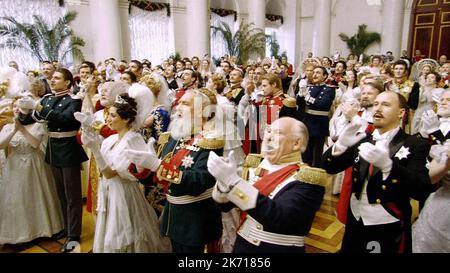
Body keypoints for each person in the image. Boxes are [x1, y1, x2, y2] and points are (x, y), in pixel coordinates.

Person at [322, 91, 432, 253]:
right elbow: (328, 167)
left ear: (401, 113)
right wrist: (340, 146)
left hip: (387, 223)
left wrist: (390, 167)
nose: (377, 108)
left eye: (386, 105)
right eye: (375, 104)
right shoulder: (362, 138)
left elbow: (421, 190)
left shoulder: (415, 144)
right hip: (355, 218)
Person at [124, 89, 224, 253]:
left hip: (196, 221)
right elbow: (156, 181)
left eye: (185, 104)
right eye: (179, 102)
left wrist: (157, 166)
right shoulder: (172, 138)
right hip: (173, 214)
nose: (177, 107)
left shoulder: (212, 141)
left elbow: (199, 182)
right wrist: (143, 168)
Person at [207, 117, 326, 253]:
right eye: (268, 131)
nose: (268, 137)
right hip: (242, 245)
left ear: (296, 144)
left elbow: (280, 219)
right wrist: (223, 183)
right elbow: (225, 206)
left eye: (278, 133)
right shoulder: (254, 167)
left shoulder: (307, 179)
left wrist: (233, 182)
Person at [81, 93, 171, 253]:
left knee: (124, 235)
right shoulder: (109, 140)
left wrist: (94, 148)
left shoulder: (134, 140)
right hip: (107, 190)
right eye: (108, 115)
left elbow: (110, 173)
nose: (108, 119)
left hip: (122, 193)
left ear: (126, 119)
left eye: (113, 116)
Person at [16, 68, 88, 252]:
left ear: (68, 83)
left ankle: (74, 235)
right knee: (61, 193)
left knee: (72, 195)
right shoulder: (47, 99)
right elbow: (30, 120)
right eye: (52, 78)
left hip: (68, 148)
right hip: (53, 149)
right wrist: (23, 110)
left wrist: (38, 107)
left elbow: (65, 119)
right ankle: (66, 227)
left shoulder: (74, 100)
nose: (52, 80)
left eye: (57, 78)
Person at [0, 97, 64, 245]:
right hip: (15, 165)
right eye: (14, 106)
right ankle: (21, 234)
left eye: (20, 107)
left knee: (37, 195)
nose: (16, 109)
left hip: (35, 164)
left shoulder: (38, 125)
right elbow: (1, 146)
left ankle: (42, 230)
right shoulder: (7, 127)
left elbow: (35, 144)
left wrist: (22, 129)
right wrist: (14, 130)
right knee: (17, 198)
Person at [412, 90, 450, 252]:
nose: (442, 102)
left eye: (448, 100)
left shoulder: (437, 126)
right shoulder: (438, 122)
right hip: (431, 185)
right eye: (442, 99)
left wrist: (435, 133)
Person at [298, 66, 336, 167]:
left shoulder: (329, 89)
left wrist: (307, 96)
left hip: (319, 125)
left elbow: (322, 104)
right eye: (313, 72)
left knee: (316, 156)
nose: (314, 75)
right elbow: (300, 104)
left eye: (318, 73)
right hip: (307, 122)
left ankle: (314, 177)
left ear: (324, 76)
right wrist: (301, 93)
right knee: (305, 154)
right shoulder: (309, 88)